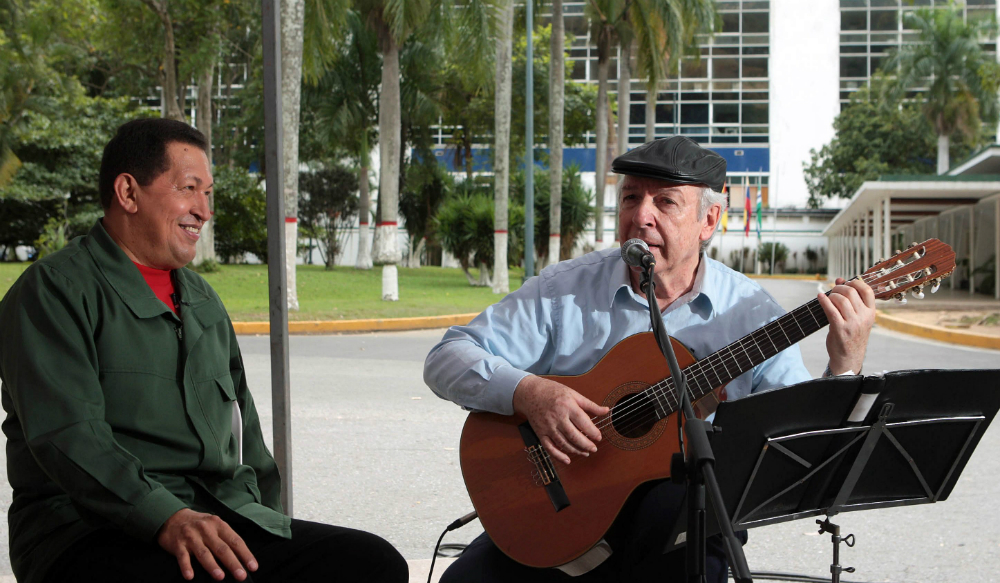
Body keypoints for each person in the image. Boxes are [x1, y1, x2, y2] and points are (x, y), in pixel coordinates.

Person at [423, 136, 876, 583]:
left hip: (683, 529)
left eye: (666, 202)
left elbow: (800, 446)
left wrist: (845, 365)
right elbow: (447, 356)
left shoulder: (753, 314)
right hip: (558, 513)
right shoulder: (566, 290)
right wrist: (530, 393)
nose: (642, 216)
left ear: (709, 220)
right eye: (631, 198)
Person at [0, 118, 408, 583]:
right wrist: (165, 517)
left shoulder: (202, 301)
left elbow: (246, 438)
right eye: (189, 188)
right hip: (85, 532)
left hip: (213, 519)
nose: (203, 209)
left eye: (208, 193)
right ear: (128, 194)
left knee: (371, 563)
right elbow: (68, 437)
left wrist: (266, 523)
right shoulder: (56, 292)